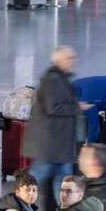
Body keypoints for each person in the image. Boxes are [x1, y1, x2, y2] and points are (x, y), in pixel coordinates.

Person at [29, 46, 82, 196]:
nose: (73, 61)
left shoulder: (61, 79)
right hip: (52, 144)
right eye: (69, 58)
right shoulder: (52, 80)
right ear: (58, 61)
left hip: (59, 144)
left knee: (63, 181)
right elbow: (53, 108)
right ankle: (18, 205)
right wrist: (77, 107)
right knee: (38, 178)